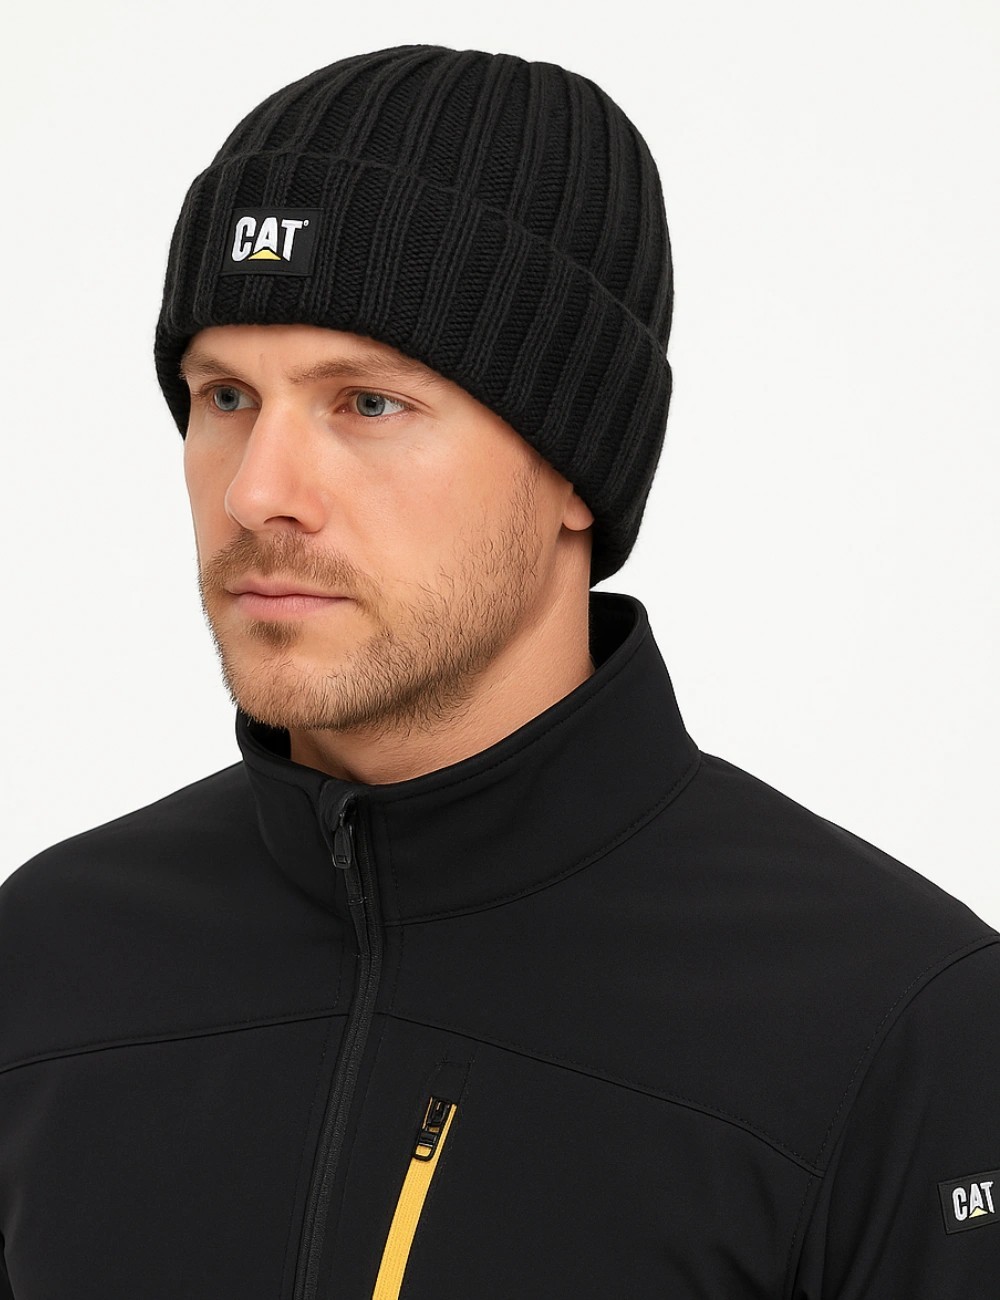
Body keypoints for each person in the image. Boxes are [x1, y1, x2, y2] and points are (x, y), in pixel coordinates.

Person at [0, 43, 997, 1300]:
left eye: (367, 403)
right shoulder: (49, 960)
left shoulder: (896, 1024)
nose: (257, 493)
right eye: (225, 396)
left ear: (577, 465)